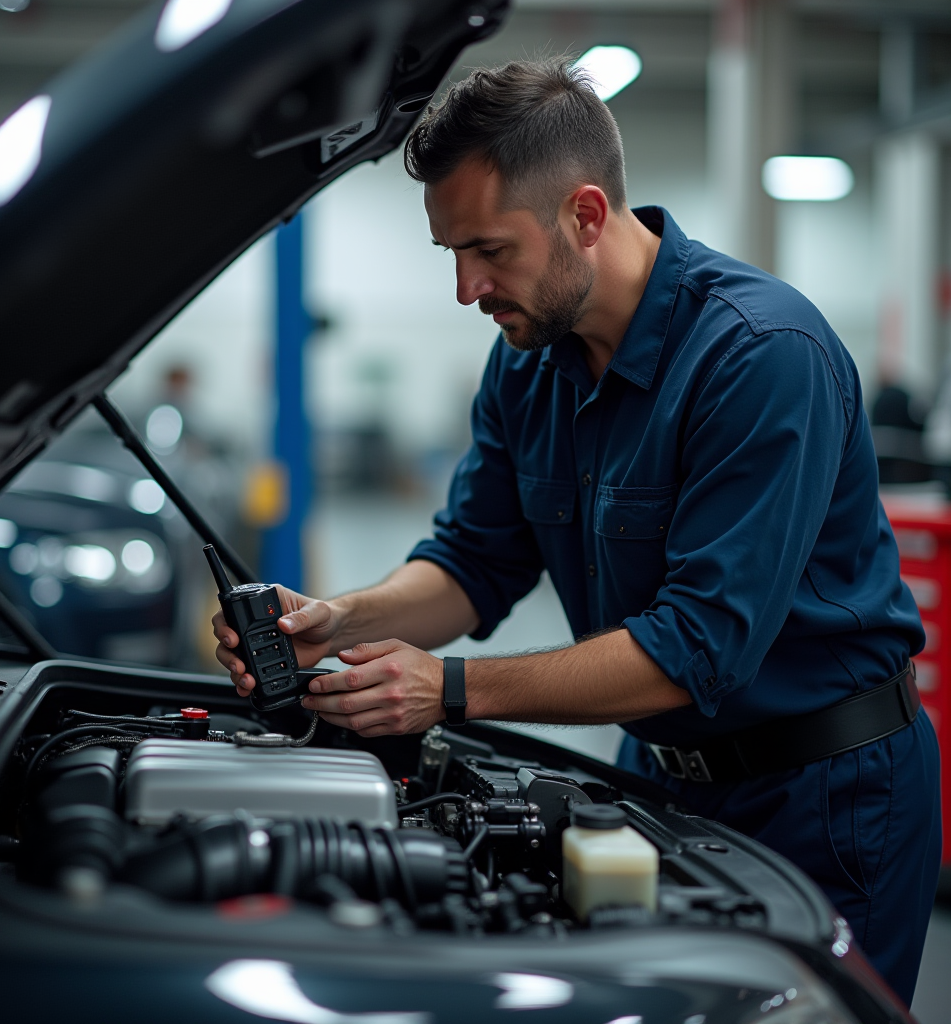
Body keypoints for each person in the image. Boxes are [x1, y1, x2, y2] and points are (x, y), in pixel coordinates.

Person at [213, 58, 940, 1005]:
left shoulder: (762, 358)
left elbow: (697, 649)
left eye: (489, 250)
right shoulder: (526, 365)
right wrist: (333, 620)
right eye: (451, 256)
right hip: (657, 772)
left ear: (586, 216)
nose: (468, 290)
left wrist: (450, 691)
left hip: (826, 795)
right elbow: (473, 563)